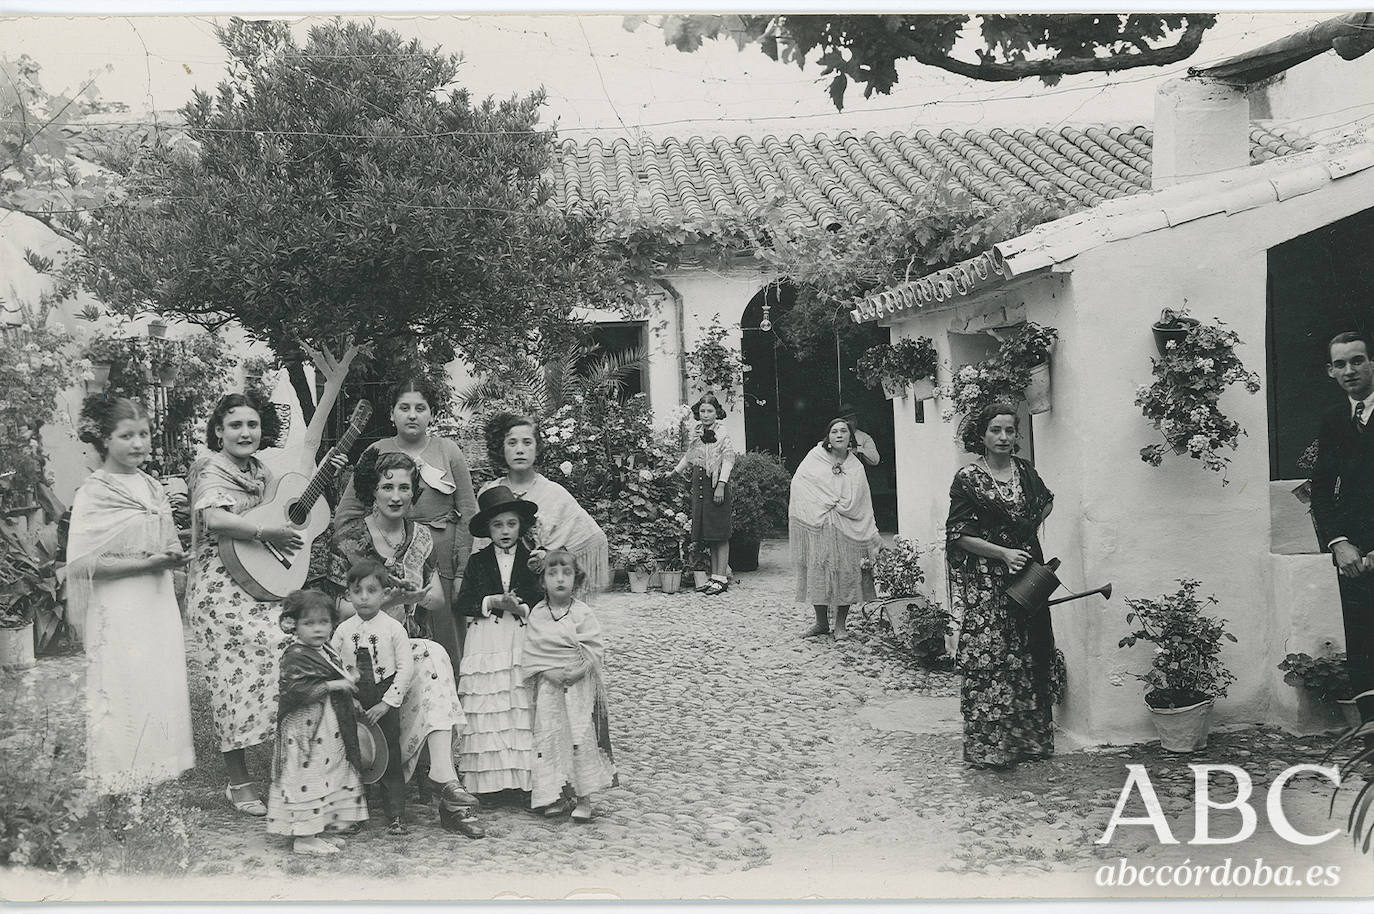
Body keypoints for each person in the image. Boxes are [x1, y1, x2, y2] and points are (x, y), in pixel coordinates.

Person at [185, 391, 339, 816]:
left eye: (252, 425)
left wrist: (324, 476)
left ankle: (291, 767)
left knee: (292, 656)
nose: (245, 433)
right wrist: (264, 534)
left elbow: (283, 514)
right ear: (219, 431)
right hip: (219, 589)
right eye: (235, 425)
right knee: (232, 680)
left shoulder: (261, 471)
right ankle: (238, 782)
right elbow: (214, 519)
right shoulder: (210, 468)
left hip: (261, 581)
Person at [326, 448, 485, 838]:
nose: (396, 496)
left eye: (404, 487)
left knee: (433, 655)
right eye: (387, 487)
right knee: (431, 657)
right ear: (373, 491)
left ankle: (444, 778)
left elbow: (438, 600)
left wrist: (417, 595)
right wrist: (388, 601)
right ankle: (444, 784)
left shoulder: (422, 538)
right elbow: (335, 610)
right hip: (358, 654)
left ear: (414, 492)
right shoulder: (348, 538)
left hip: (404, 647)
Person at [66, 396, 195, 795]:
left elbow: (167, 542)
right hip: (117, 606)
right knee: (121, 688)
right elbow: (82, 564)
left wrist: (174, 556)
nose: (138, 443)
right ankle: (116, 785)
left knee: (157, 685)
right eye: (126, 435)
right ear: (105, 439)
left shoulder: (152, 486)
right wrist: (146, 564)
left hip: (156, 602)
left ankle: (151, 783)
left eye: (144, 434)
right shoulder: (94, 492)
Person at [945, 401, 1062, 770]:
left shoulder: (1025, 471)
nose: (1004, 437)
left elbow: (1045, 503)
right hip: (988, 582)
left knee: (1029, 653)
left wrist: (1025, 534)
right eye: (995, 430)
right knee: (992, 658)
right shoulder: (968, 479)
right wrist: (1003, 551)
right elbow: (959, 534)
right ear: (981, 435)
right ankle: (992, 749)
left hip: (1025, 576)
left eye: (1010, 430)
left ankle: (1029, 742)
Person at [335, 378, 479, 674]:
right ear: (391, 413)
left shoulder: (448, 450)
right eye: (404, 408)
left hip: (442, 564)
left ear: (432, 414)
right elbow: (347, 514)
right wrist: (367, 560)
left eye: (420, 408)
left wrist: (462, 571)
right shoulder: (375, 450)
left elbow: (468, 512)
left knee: (447, 645)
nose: (412, 415)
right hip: (384, 562)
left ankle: (450, 699)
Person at [453, 486, 542, 798]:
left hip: (520, 635)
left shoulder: (532, 560)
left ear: (520, 526)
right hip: (487, 638)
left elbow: (542, 598)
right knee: (489, 704)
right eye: (497, 525)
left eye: (511, 524)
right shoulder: (478, 561)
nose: (505, 531)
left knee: (518, 702)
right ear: (488, 529)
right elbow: (463, 603)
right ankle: (488, 784)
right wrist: (491, 601)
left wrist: (522, 608)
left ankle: (524, 781)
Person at [267, 589, 368, 855]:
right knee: (307, 776)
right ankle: (304, 836)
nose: (318, 629)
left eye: (324, 622)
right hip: (305, 732)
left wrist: (349, 678)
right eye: (309, 623)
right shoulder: (295, 655)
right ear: (294, 625)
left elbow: (337, 672)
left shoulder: (326, 651)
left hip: (329, 727)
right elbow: (295, 690)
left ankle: (319, 828)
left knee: (328, 774)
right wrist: (334, 685)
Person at [521, 550, 617, 822]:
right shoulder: (538, 613)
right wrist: (547, 671)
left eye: (566, 573)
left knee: (579, 737)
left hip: (578, 685)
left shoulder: (582, 612)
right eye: (552, 574)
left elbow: (594, 648)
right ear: (543, 582)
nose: (560, 579)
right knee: (550, 737)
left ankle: (584, 798)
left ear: (576, 579)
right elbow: (532, 650)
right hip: (549, 686)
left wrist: (580, 670)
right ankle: (555, 795)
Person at [477, 412, 611, 594]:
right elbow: (480, 547)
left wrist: (551, 559)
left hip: (544, 593)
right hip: (498, 590)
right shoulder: (490, 492)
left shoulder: (554, 493)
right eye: (512, 443)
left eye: (527, 442)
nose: (520, 450)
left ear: (537, 448)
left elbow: (592, 539)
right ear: (501, 448)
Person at [1310, 330, 1374, 702]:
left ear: (1372, 363)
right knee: (1363, 647)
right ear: (1330, 371)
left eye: (1357, 360)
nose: (1349, 370)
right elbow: (1320, 490)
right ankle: (1370, 730)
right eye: (1340, 364)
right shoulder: (1334, 420)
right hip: (1355, 559)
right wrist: (1339, 543)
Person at [331, 561, 413, 835]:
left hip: (383, 696)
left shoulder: (394, 628)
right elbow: (333, 666)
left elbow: (405, 669)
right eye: (357, 591)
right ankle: (354, 811)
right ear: (348, 595)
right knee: (352, 752)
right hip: (353, 698)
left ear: (385, 593)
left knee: (389, 753)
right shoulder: (343, 630)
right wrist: (347, 698)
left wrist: (387, 703)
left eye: (371, 590)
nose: (364, 597)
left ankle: (396, 814)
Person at [789, 417, 882, 641]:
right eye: (834, 432)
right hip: (819, 522)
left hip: (847, 525)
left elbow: (862, 499)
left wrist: (867, 527)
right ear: (828, 437)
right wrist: (824, 503)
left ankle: (840, 625)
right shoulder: (816, 456)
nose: (839, 435)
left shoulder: (856, 466)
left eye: (843, 431)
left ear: (851, 437)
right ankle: (821, 623)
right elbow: (800, 483)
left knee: (846, 573)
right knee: (818, 570)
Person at [671, 394, 737, 595]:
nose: (706, 415)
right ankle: (715, 577)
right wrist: (674, 472)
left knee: (720, 533)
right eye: (702, 411)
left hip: (715, 485)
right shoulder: (698, 432)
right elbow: (690, 456)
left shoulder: (722, 434)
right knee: (711, 534)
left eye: (710, 411)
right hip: (701, 488)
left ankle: (722, 579)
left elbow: (728, 460)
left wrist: (721, 485)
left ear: (717, 413)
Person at [837, 402, 881, 467]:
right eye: (845, 420)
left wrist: (859, 449)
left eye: (851, 419)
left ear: (855, 420)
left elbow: (875, 460)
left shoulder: (864, 437)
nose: (848, 422)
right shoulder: (834, 436)